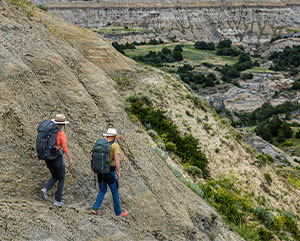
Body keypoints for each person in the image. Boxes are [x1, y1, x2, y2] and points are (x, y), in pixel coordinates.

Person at [91, 128, 128, 217]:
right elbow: (117, 161)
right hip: (109, 172)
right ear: (114, 136)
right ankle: (119, 213)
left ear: (107, 136)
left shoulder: (100, 144)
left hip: (100, 171)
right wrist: (119, 172)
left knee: (102, 190)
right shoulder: (114, 146)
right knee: (114, 191)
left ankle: (95, 208)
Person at [41, 114, 73, 206]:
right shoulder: (60, 133)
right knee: (62, 177)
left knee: (55, 176)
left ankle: (46, 189)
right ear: (62, 124)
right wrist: (70, 158)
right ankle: (57, 200)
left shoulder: (47, 132)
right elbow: (65, 147)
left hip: (47, 157)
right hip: (56, 157)